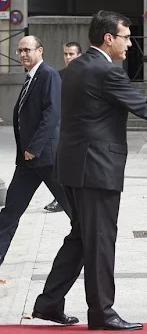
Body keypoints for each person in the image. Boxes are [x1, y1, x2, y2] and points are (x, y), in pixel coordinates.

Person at [33, 10, 147, 331]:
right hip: (96, 170)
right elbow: (144, 106)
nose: (130, 44)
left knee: (80, 238)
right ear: (109, 38)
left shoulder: (76, 67)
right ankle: (102, 314)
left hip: (72, 167)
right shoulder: (107, 72)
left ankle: (49, 303)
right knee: (101, 241)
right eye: (125, 37)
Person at [0, 36, 72, 267]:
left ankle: (95, 249)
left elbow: (52, 113)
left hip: (46, 157)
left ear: (40, 51)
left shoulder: (48, 75)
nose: (22, 54)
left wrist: (34, 147)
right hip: (28, 161)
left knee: (74, 209)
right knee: (10, 210)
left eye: (27, 50)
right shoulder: (30, 78)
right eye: (19, 51)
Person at [44, 41, 83, 213]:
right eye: (66, 54)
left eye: (71, 54)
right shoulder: (58, 76)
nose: (68, 57)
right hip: (63, 126)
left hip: (82, 127)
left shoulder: (88, 75)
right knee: (60, 164)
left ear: (79, 55)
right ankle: (60, 199)